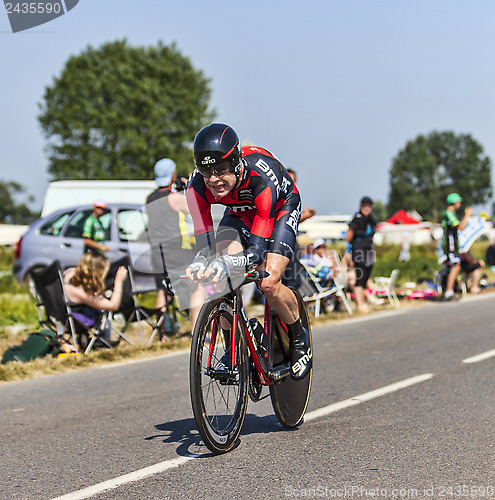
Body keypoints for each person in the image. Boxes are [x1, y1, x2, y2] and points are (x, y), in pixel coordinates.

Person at [185, 123, 311, 381]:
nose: (213, 179)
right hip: (240, 211)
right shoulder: (196, 188)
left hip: (278, 208)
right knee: (219, 277)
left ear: (236, 162)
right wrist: (201, 263)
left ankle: (299, 336)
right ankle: (233, 347)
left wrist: (228, 262)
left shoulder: (260, 178)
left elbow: (255, 254)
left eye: (220, 169)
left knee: (268, 282)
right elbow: (204, 244)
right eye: (205, 171)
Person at [145, 158, 203, 334]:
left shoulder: (150, 198)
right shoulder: (175, 198)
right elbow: (196, 210)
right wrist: (188, 188)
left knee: (162, 290)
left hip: (156, 252)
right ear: (172, 175)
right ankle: (196, 330)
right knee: (197, 284)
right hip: (175, 250)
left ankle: (162, 333)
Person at [64, 252, 127, 347]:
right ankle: (105, 340)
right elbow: (113, 305)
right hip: (77, 322)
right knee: (105, 309)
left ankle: (95, 340)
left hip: (65, 316)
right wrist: (119, 281)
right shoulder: (80, 292)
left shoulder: (70, 275)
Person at [345, 196, 377, 313]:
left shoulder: (371, 220)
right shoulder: (357, 220)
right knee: (360, 277)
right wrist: (350, 252)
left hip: (368, 251)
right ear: (361, 206)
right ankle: (360, 305)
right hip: (359, 251)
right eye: (365, 206)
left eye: (369, 206)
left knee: (366, 278)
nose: (367, 208)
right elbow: (348, 237)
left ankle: (363, 303)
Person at [442, 192, 472, 301]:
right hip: (450, 245)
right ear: (454, 202)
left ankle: (450, 290)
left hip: (453, 245)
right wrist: (467, 215)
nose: (460, 203)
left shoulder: (452, 213)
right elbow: (461, 227)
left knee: (456, 267)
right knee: (456, 267)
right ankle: (448, 292)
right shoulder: (449, 213)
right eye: (458, 201)